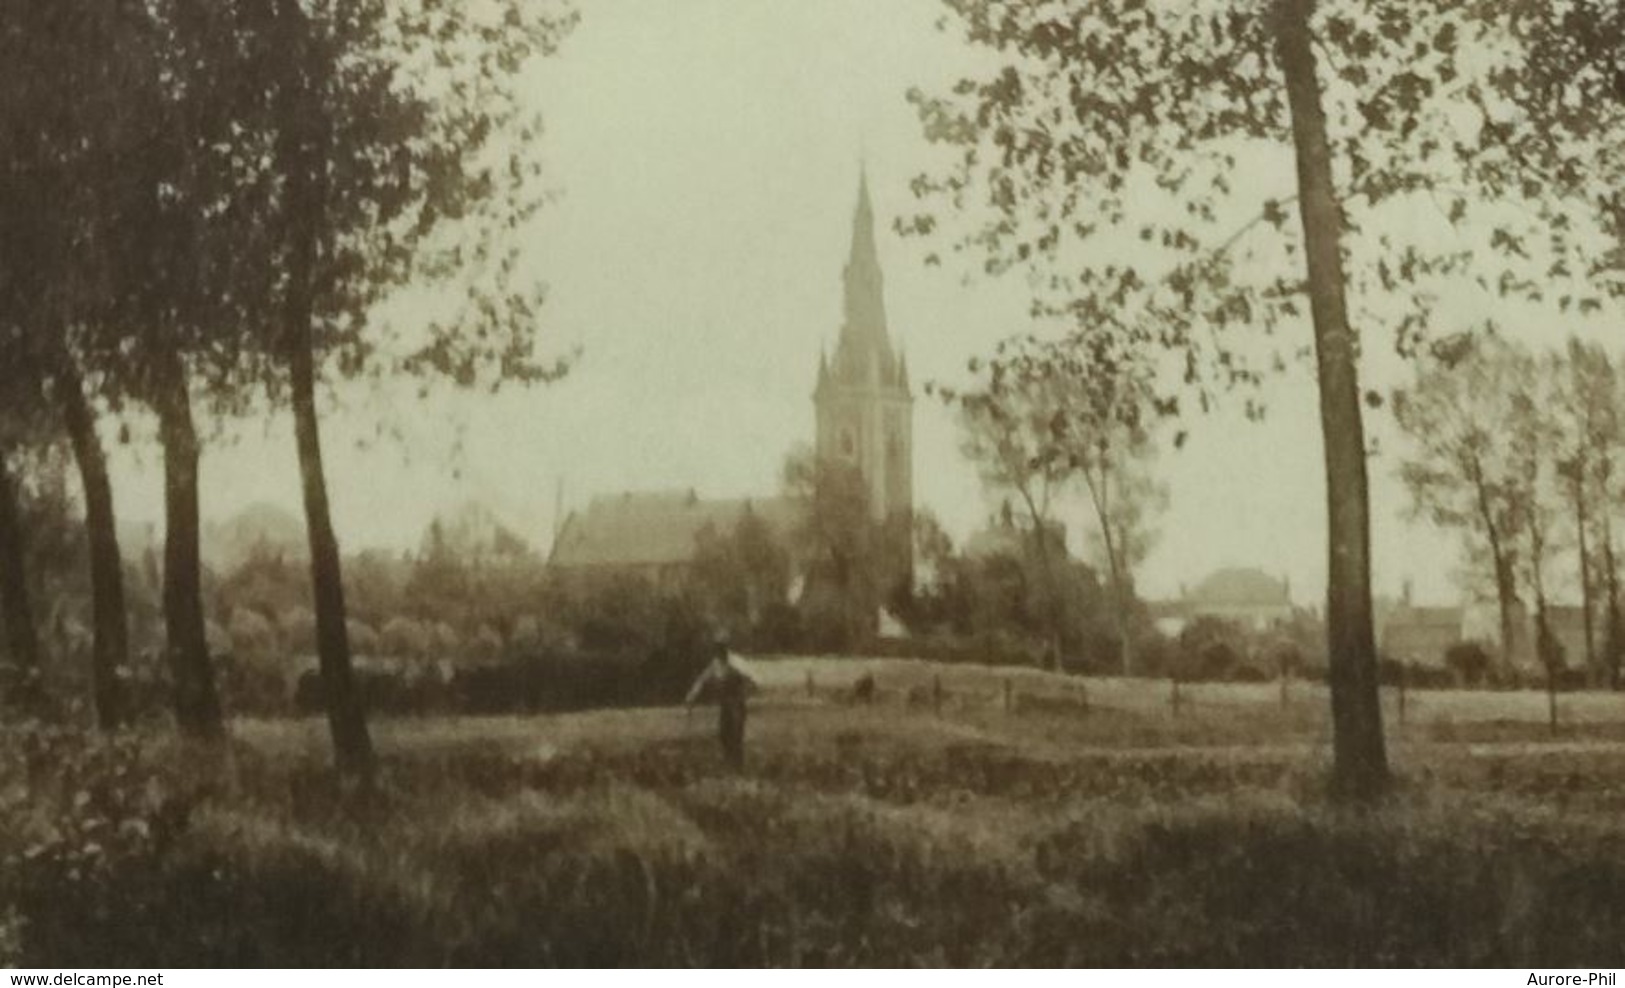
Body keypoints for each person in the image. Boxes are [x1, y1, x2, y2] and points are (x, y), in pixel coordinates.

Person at [685, 634, 755, 769]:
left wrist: (746, 692)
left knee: (736, 734)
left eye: (722, 647)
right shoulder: (715, 664)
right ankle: (729, 763)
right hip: (725, 704)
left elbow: (750, 679)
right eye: (717, 647)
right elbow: (702, 680)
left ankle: (738, 766)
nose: (719, 650)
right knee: (724, 734)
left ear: (726, 648)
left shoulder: (736, 663)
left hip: (737, 703)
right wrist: (691, 696)